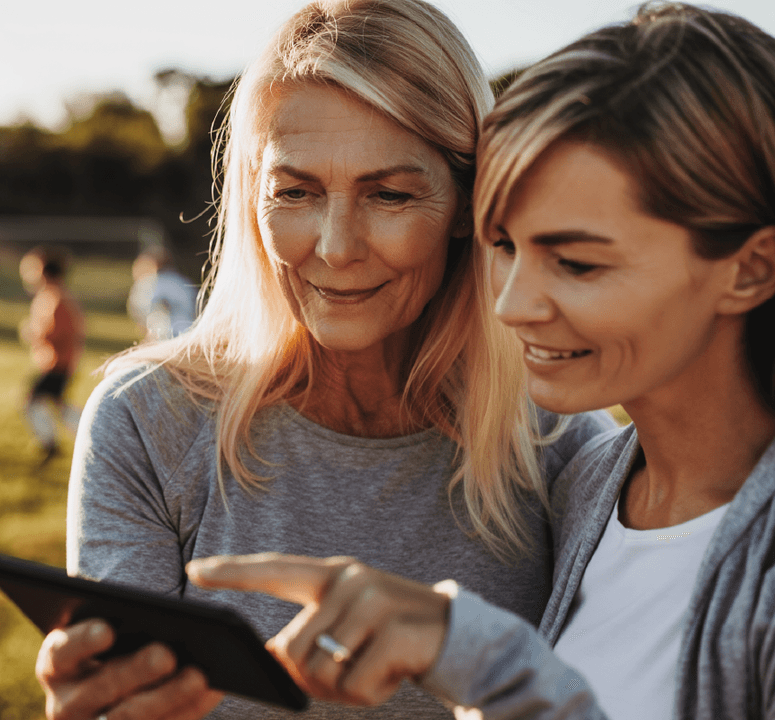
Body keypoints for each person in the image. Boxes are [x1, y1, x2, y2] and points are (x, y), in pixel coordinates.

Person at [189, 4, 775, 719]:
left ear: (750, 270)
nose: (512, 305)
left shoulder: (563, 466)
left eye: (577, 262)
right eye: (504, 245)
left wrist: (476, 655)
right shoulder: (590, 491)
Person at [33, 1, 613, 719]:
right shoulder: (149, 420)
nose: (336, 246)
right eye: (296, 191)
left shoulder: (562, 443)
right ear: (252, 198)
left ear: (470, 202)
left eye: (390, 194)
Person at [19, 246, 86, 463]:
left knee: (32, 400)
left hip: (58, 363)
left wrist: (36, 334)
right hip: (54, 361)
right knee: (58, 402)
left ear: (45, 272)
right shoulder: (51, 295)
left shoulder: (57, 297)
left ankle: (51, 443)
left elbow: (64, 332)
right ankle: (76, 440)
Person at [126, 245, 198, 341]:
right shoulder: (184, 282)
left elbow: (145, 312)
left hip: (165, 336)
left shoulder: (149, 284)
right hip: (191, 333)